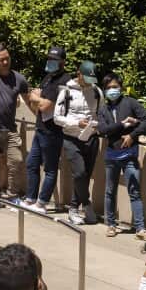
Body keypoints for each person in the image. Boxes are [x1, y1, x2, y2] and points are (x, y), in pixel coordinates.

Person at [0, 43, 37, 210]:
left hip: (10, 129)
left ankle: (12, 196)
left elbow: (28, 100)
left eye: (7, 59)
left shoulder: (19, 78)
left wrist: (39, 119)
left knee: (16, 161)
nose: (5, 62)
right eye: (1, 60)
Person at [98, 73, 146, 237]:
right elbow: (103, 130)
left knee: (134, 191)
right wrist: (122, 124)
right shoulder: (103, 109)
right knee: (109, 191)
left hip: (129, 155)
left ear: (121, 87)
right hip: (111, 156)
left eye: (114, 87)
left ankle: (140, 228)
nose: (112, 90)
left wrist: (132, 135)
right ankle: (111, 224)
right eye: (108, 88)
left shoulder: (131, 103)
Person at [53, 59, 105, 226]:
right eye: (86, 78)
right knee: (79, 173)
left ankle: (75, 207)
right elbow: (57, 118)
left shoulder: (97, 91)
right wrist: (76, 123)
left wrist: (97, 125)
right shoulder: (66, 92)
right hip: (71, 138)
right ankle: (86, 205)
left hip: (91, 137)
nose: (89, 83)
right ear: (79, 74)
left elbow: (101, 113)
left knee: (85, 176)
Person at [25, 46, 73, 214]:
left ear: (63, 62)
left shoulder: (64, 81)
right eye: (49, 59)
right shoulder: (48, 78)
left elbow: (45, 105)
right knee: (31, 164)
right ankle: (30, 199)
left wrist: (36, 97)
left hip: (53, 131)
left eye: (55, 60)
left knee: (50, 169)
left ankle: (42, 203)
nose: (50, 62)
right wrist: (37, 98)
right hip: (40, 128)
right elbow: (36, 103)